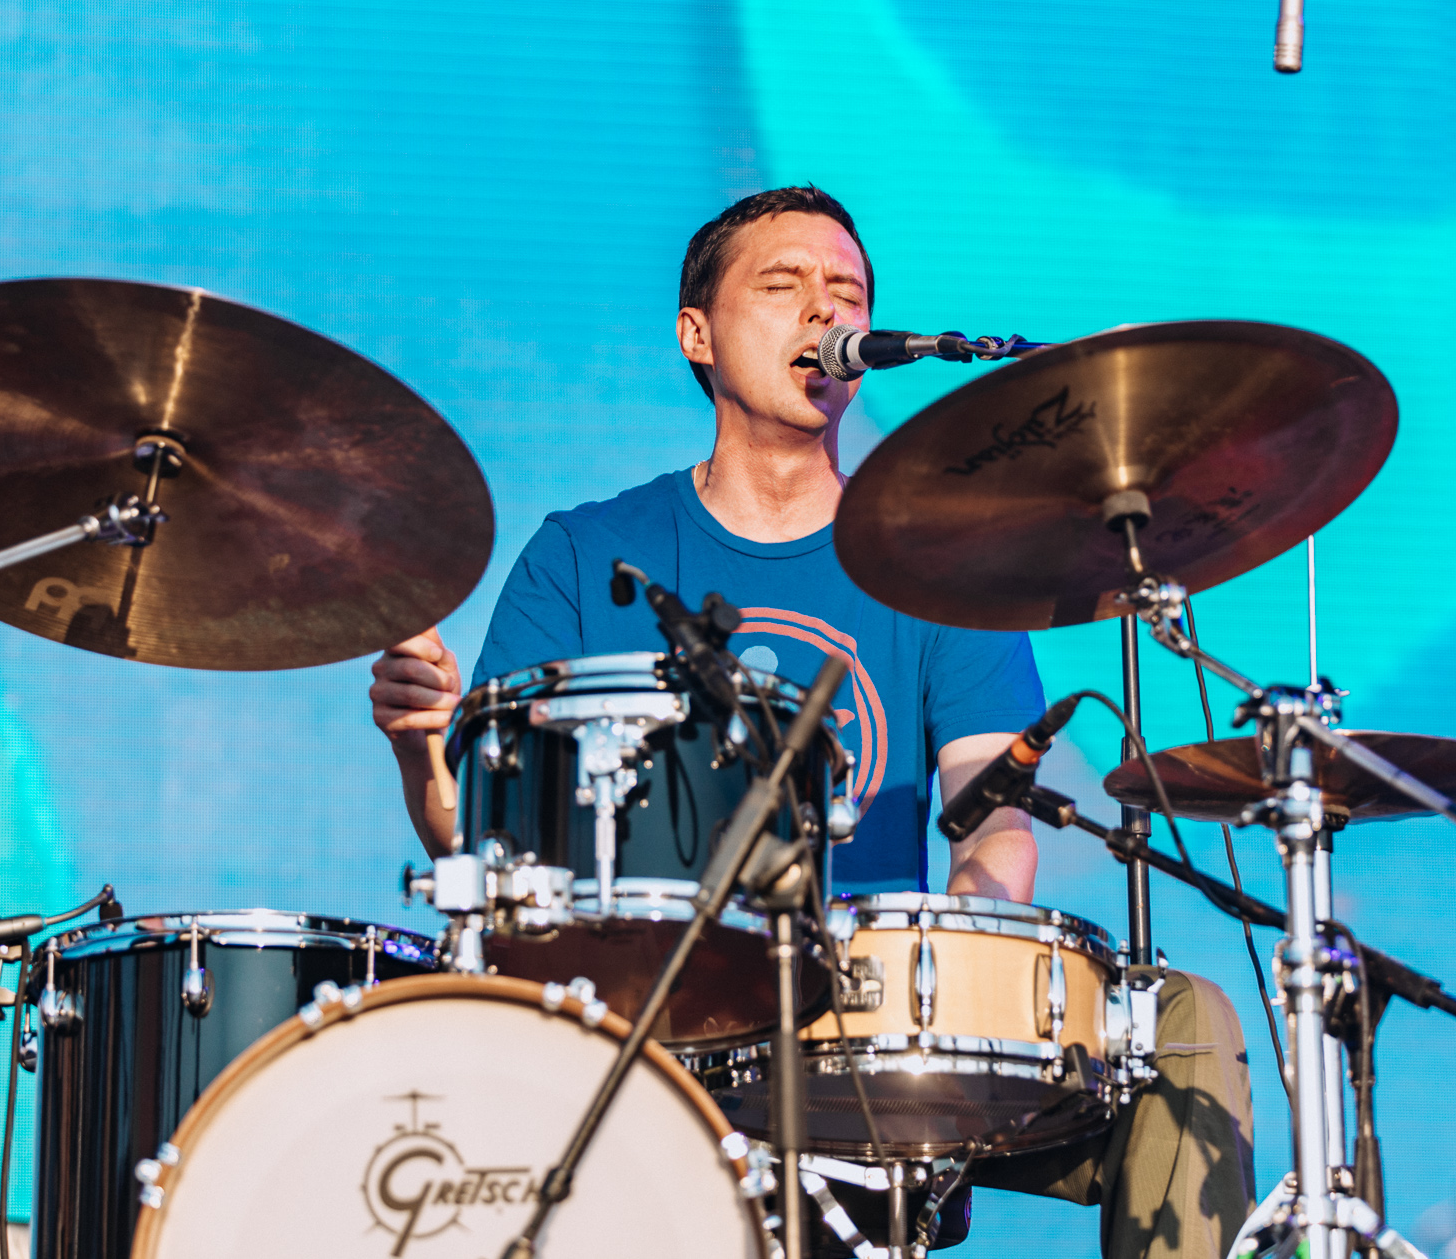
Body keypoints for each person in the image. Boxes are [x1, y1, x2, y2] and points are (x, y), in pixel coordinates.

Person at [369, 186, 1254, 1256]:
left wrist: (963, 962)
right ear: (696, 334)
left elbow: (993, 816)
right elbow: (486, 849)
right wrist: (420, 748)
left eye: (846, 292)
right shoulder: (583, 553)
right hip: (657, 1018)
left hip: (866, 1022)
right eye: (782, 285)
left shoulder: (937, 564)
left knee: (1183, 1027)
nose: (823, 310)